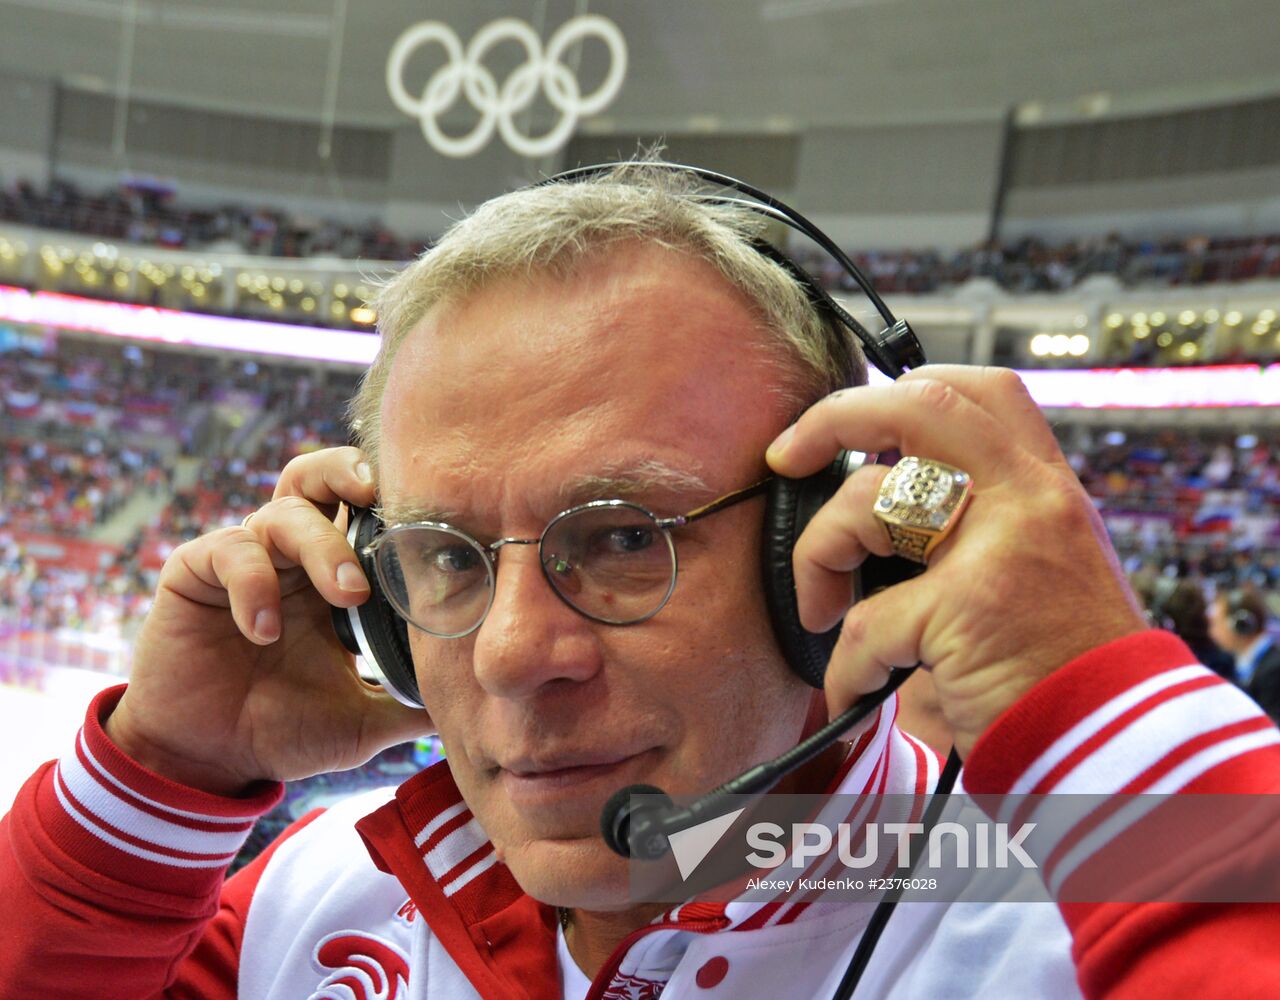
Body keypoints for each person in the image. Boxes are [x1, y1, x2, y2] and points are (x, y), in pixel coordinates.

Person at [3, 161, 1279, 999]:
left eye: (621, 537)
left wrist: (1091, 705)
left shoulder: (1062, 920)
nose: (510, 650)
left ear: (836, 540)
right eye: (444, 557)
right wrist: (155, 780)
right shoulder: (311, 900)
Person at [1209, 585, 1280, 720]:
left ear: (1240, 625)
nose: (1212, 632)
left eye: (1216, 623)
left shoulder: (1274, 670)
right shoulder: (1242, 663)